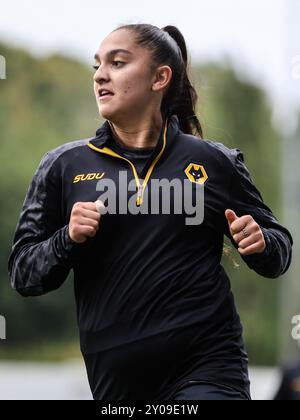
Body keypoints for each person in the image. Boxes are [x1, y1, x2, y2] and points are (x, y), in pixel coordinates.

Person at [8, 24, 293, 400]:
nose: (100, 75)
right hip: (117, 385)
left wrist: (262, 242)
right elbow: (23, 274)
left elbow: (279, 250)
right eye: (97, 65)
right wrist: (67, 239)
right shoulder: (63, 166)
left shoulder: (214, 162)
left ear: (160, 78)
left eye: (118, 62)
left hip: (208, 367)